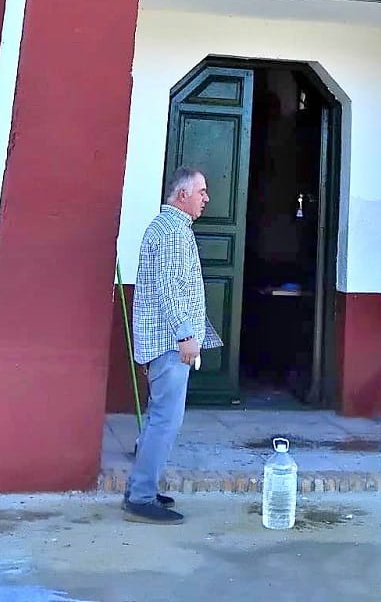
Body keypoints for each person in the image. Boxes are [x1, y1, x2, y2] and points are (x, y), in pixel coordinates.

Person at [124, 166, 222, 522]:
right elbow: (169, 287)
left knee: (157, 419)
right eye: (202, 192)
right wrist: (184, 334)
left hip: (168, 340)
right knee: (166, 420)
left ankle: (140, 488)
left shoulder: (173, 229)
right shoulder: (170, 232)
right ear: (183, 195)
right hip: (169, 342)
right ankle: (141, 496)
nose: (206, 199)